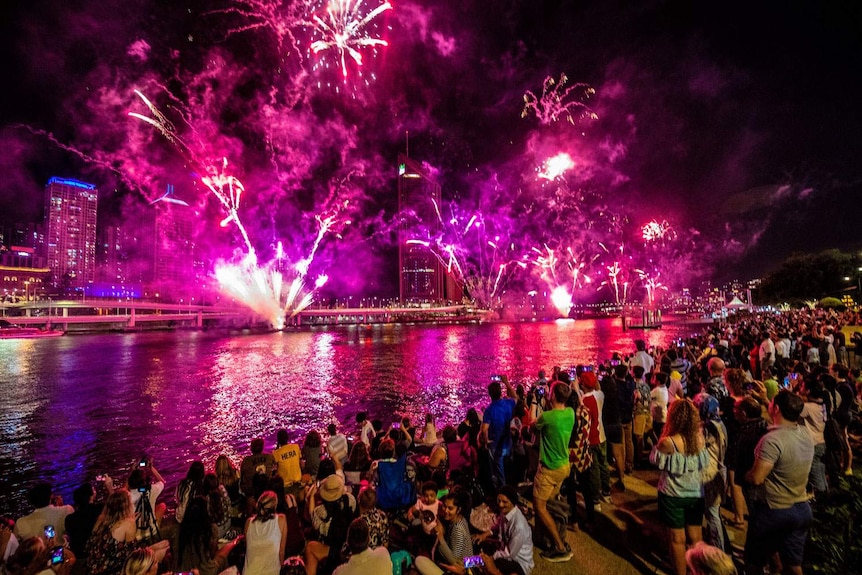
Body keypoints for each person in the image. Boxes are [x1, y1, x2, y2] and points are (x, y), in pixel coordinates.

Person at [744, 391, 815, 575]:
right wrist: (766, 399)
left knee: (754, 561)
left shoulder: (772, 441)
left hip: (774, 510)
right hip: (801, 507)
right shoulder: (805, 434)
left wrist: (747, 475)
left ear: (775, 408)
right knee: (792, 564)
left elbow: (758, 477)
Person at [650, 399, 709, 575]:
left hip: (673, 494)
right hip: (696, 493)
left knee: (677, 539)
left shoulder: (668, 442)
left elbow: (655, 460)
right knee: (696, 537)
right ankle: (698, 570)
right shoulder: (699, 439)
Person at [532, 382, 574, 563]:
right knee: (550, 504)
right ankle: (552, 536)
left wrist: (538, 403)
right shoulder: (570, 413)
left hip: (549, 469)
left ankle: (560, 547)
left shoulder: (547, 417)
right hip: (564, 466)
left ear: (553, 396)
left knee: (539, 507)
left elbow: (532, 425)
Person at [84, 490, 169, 575]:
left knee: (164, 544)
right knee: (165, 551)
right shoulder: (128, 524)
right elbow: (134, 558)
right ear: (127, 506)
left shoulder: (102, 518)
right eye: (132, 503)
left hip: (94, 568)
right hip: (115, 569)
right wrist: (132, 524)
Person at [474, 485, 534, 575]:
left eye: (504, 502)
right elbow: (497, 527)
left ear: (513, 502)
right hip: (502, 549)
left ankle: (469, 566)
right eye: (499, 501)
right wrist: (484, 535)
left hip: (518, 561)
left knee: (487, 565)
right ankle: (466, 564)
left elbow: (509, 553)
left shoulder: (519, 526)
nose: (500, 504)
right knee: (480, 550)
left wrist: (492, 558)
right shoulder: (506, 512)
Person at [174, 497, 243, 575]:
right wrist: (234, 542)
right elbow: (213, 556)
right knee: (227, 550)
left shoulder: (180, 531)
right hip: (206, 570)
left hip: (183, 570)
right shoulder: (209, 530)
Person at [305, 474, 357, 575]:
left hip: (335, 549)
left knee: (310, 547)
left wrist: (311, 497)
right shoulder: (351, 500)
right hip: (350, 543)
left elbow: (312, 520)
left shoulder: (321, 512)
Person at [414, 487, 473, 575]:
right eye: (444, 506)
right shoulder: (460, 519)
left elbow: (455, 561)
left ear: (459, 509)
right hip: (466, 564)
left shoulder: (458, 529)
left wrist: (440, 536)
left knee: (419, 561)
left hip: (463, 569)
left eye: (450, 508)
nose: (445, 510)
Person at [481, 378, 517, 490]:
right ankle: (512, 487)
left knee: (498, 472)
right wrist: (506, 382)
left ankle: (502, 491)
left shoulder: (489, 410)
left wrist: (486, 441)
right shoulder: (508, 403)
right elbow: (516, 397)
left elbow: (484, 429)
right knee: (509, 467)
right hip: (508, 442)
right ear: (501, 392)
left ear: (490, 394)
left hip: (495, 445)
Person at [581, 371, 610, 508]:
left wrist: (575, 388)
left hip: (591, 439)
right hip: (602, 436)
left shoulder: (584, 401)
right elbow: (597, 388)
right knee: (603, 464)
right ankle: (607, 492)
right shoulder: (600, 395)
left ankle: (595, 500)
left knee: (594, 469)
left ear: (583, 384)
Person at [243, 491, 288, 575]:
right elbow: (281, 552)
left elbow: (248, 546)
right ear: (275, 505)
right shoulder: (281, 520)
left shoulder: (248, 523)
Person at [64, 483, 104, 575]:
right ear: (91, 496)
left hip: (77, 557)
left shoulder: (69, 519)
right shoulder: (98, 510)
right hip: (95, 554)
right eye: (93, 490)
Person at [3, 536, 75, 575]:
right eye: (43, 547)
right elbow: (72, 558)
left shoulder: (8, 568)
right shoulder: (47, 573)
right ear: (39, 557)